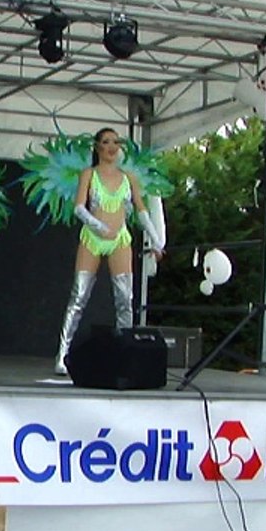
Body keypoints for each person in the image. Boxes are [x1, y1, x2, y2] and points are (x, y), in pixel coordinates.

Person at [54, 127, 165, 375]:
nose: (112, 147)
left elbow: (142, 211)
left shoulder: (128, 178)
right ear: (97, 146)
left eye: (116, 142)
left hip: (120, 240)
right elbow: (79, 208)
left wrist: (157, 241)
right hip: (93, 238)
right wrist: (99, 226)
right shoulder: (88, 174)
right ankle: (63, 354)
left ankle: (125, 353)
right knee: (79, 296)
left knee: (125, 299)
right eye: (107, 142)